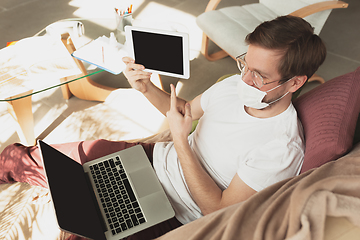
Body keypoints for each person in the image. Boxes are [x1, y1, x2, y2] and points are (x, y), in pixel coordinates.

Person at [0, 15, 326, 240]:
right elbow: (184, 111)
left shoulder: (281, 147)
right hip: (151, 159)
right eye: (244, 64)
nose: (245, 79)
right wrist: (144, 88)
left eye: (260, 75)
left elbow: (218, 209)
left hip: (173, 211)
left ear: (295, 82)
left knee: (83, 226)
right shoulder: (233, 86)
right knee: (46, 159)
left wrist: (182, 141)